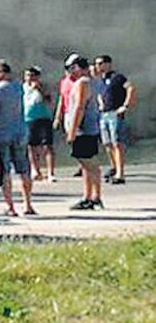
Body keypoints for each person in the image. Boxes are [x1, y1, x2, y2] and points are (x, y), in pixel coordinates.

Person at [0, 60, 35, 216]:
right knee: (24, 170)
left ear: (0, 73)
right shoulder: (18, 86)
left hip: (3, 134)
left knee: (5, 171)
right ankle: (28, 204)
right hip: (20, 132)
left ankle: (10, 207)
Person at [64, 54, 104, 210]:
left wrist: (72, 131)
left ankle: (95, 196)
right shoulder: (91, 81)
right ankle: (88, 196)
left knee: (89, 163)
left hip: (84, 129)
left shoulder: (83, 83)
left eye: (71, 68)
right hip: (89, 128)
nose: (69, 72)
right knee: (86, 165)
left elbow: (80, 107)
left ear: (78, 68)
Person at [95, 55, 136, 185]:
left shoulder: (117, 77)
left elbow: (130, 88)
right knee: (107, 144)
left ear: (108, 64)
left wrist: (125, 106)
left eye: (100, 63)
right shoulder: (100, 80)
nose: (98, 66)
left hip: (115, 113)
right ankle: (114, 167)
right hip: (104, 114)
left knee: (117, 143)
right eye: (96, 63)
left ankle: (120, 173)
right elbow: (99, 93)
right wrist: (100, 103)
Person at [23, 67, 55, 181]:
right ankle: (35, 170)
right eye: (27, 75)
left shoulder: (44, 86)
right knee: (32, 146)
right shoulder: (22, 88)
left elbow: (49, 100)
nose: (30, 78)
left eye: (32, 75)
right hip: (29, 118)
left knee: (47, 146)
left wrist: (39, 89)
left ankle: (51, 172)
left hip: (44, 117)